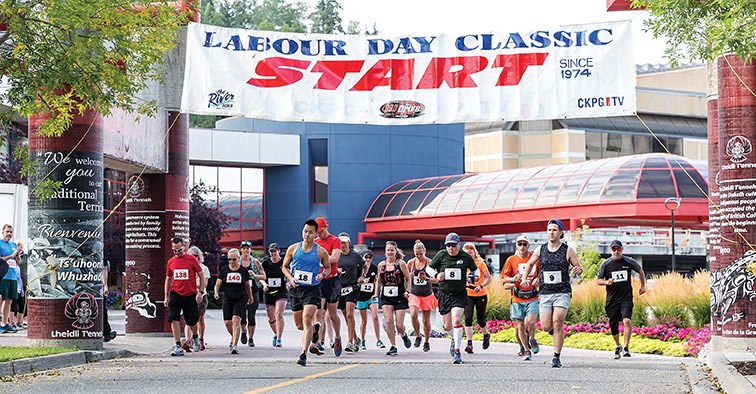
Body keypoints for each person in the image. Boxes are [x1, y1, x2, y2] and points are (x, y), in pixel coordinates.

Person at [520, 219, 582, 368]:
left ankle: (556, 356)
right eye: (549, 230)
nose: (551, 233)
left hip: (562, 291)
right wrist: (524, 278)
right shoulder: (540, 249)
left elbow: (578, 267)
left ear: (560, 233)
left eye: (554, 230)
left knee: (558, 321)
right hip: (546, 292)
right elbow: (529, 264)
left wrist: (578, 270)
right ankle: (555, 331)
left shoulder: (567, 250)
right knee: (546, 326)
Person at [282, 219, 331, 366]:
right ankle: (315, 330)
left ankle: (303, 353)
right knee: (299, 325)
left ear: (316, 233)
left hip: (312, 289)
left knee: (307, 317)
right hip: (296, 289)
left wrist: (322, 275)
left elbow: (328, 268)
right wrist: (290, 279)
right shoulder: (293, 249)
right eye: (305, 231)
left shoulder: (321, 251)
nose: (307, 235)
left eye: (310, 232)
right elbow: (284, 267)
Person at [430, 232, 477, 364]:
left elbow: (475, 270)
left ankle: (457, 351)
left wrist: (473, 277)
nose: (450, 248)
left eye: (453, 245)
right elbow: (429, 269)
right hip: (444, 293)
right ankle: (454, 339)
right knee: (447, 326)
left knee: (456, 320)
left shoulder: (465, 257)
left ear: (459, 245)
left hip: (459, 293)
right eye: (448, 246)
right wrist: (436, 274)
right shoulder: (441, 255)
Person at [597, 239, 647, 359]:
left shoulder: (629, 261)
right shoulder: (606, 264)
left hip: (626, 297)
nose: (616, 251)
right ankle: (618, 345)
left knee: (627, 321)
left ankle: (626, 347)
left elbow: (640, 271)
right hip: (612, 299)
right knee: (613, 324)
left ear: (622, 250)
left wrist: (643, 285)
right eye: (614, 249)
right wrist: (606, 282)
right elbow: (598, 281)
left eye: (618, 249)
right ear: (611, 250)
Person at [164, 237, 205, 356]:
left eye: (179, 250)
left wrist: (200, 292)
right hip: (176, 293)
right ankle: (178, 345)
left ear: (184, 247)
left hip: (190, 294)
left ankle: (195, 337)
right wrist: (166, 297)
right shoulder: (171, 261)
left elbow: (201, 275)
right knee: (174, 317)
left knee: (192, 321)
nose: (177, 253)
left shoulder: (191, 259)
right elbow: (168, 279)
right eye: (174, 250)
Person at [502, 234, 540, 360]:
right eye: (520, 244)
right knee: (520, 326)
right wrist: (513, 279)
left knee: (530, 322)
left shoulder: (534, 258)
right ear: (516, 246)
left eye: (525, 244)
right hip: (517, 297)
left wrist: (538, 280)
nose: (522, 247)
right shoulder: (511, 260)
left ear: (528, 246)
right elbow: (504, 278)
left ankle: (533, 338)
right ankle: (526, 350)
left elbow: (542, 273)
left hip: (532, 296)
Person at [373, 241, 412, 356]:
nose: (390, 252)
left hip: (399, 296)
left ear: (395, 251)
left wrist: (408, 291)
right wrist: (376, 293)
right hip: (386, 296)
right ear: (385, 252)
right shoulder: (381, 265)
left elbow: (408, 278)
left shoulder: (401, 264)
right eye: (388, 250)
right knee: (388, 321)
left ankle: (404, 335)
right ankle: (393, 346)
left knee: (399, 325)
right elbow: (378, 281)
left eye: (392, 250)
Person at [313, 217, 343, 356]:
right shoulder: (315, 242)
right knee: (318, 312)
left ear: (326, 227)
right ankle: (318, 341)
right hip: (319, 280)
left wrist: (320, 258)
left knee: (332, 314)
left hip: (332, 280)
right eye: (317, 232)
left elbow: (335, 258)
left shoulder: (335, 240)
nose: (320, 234)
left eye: (321, 231)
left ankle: (337, 337)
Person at [214, 248, 253, 354]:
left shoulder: (243, 271)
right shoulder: (224, 270)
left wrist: (250, 297)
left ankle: (235, 345)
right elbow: (218, 283)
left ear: (238, 259)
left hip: (241, 297)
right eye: (229, 259)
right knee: (227, 322)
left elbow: (247, 286)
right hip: (228, 298)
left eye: (234, 259)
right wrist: (216, 292)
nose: (231, 262)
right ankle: (236, 335)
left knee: (236, 320)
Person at [406, 240, 438, 352]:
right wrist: (409, 277)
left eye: (421, 253)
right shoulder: (410, 263)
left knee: (426, 320)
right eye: (416, 254)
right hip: (414, 293)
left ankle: (427, 341)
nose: (419, 256)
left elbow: (437, 279)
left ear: (425, 251)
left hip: (426, 294)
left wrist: (427, 279)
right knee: (413, 315)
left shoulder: (430, 263)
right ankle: (418, 336)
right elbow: (405, 278)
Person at [462, 242, 493, 354]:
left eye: (471, 252)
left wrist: (481, 286)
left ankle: (486, 334)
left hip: (480, 294)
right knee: (468, 318)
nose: (469, 255)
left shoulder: (480, 263)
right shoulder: (463, 263)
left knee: (480, 319)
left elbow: (489, 278)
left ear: (475, 252)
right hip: (468, 293)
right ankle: (469, 343)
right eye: (467, 253)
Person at [335, 232, 363, 352]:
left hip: (352, 287)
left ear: (349, 243)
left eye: (344, 242)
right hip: (340, 288)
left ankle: (350, 342)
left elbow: (364, 265)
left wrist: (361, 276)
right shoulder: (335, 255)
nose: (342, 244)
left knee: (350, 314)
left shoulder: (355, 256)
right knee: (347, 317)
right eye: (340, 242)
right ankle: (356, 339)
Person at [239, 240, 266, 348]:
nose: (246, 250)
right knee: (241, 315)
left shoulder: (255, 262)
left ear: (250, 250)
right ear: (241, 250)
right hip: (240, 290)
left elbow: (263, 276)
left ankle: (251, 338)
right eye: (244, 248)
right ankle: (243, 331)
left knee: (251, 316)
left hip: (252, 289)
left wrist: (254, 275)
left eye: (247, 248)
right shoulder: (237, 261)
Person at [356, 250, 384, 350]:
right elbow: (356, 281)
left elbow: (377, 281)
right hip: (361, 297)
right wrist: (361, 281)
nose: (368, 260)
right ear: (363, 258)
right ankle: (363, 340)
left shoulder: (374, 268)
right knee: (364, 320)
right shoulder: (359, 268)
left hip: (371, 296)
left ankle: (378, 340)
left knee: (375, 316)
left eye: (370, 258)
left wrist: (376, 293)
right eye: (366, 258)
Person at [184, 246, 210, 351]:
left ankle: (201, 339)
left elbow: (205, 284)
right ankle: (188, 340)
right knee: (188, 319)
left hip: (201, 295)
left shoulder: (203, 268)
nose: (193, 258)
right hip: (188, 295)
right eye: (191, 256)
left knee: (200, 319)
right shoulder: (186, 267)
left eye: (195, 256)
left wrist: (195, 285)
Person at [262, 242, 288, 348]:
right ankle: (276, 333)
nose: (273, 254)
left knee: (279, 314)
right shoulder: (265, 263)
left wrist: (289, 282)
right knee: (271, 318)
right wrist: (264, 284)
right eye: (271, 251)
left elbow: (290, 273)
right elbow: (261, 277)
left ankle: (279, 339)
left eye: (275, 251)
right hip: (269, 291)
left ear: (278, 252)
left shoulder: (284, 263)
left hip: (281, 291)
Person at [0, 224, 20, 333]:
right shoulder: (0, 243)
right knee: (2, 299)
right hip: (3, 276)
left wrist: (17, 255)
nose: (9, 234)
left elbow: (19, 262)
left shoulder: (13, 244)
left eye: (11, 232)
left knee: (9, 300)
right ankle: (2, 323)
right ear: (3, 232)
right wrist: (11, 256)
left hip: (13, 276)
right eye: (7, 232)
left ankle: (5, 323)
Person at [102, 259, 117, 342]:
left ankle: (106, 333)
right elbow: (105, 269)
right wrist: (105, 285)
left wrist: (105, 286)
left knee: (102, 310)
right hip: (97, 285)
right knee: (102, 310)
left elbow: (104, 268)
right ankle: (106, 333)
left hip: (96, 285)